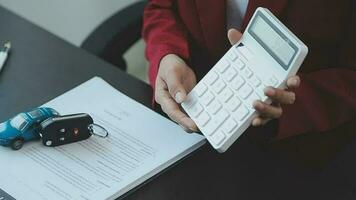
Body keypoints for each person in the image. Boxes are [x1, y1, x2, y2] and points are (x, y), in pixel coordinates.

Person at [142, 0, 356, 140]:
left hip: (296, 145)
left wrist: (291, 101)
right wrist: (168, 54)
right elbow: (161, 7)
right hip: (194, 112)